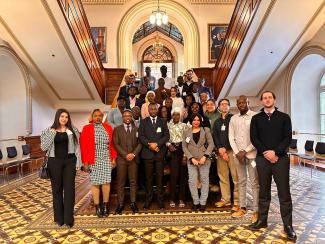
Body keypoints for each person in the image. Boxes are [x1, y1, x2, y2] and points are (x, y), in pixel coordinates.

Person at [249, 91, 296, 241]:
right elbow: (254, 138)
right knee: (263, 192)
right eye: (264, 98)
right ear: (262, 101)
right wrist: (266, 152)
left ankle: (288, 226)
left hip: (280, 159)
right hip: (262, 159)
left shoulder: (284, 117)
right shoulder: (256, 118)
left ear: (274, 100)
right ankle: (262, 221)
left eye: (270, 97)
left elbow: (287, 137)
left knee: (284, 193)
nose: (267, 99)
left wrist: (275, 152)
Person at [40, 108, 81, 228]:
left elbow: (78, 148)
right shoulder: (48, 130)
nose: (64, 119)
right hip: (54, 162)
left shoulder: (73, 131)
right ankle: (59, 218)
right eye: (62, 116)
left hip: (70, 162)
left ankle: (68, 219)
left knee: (69, 190)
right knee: (56, 190)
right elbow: (44, 147)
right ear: (57, 117)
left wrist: (78, 163)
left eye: (66, 117)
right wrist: (53, 133)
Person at [80, 109, 117, 218]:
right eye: (95, 115)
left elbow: (112, 145)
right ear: (92, 117)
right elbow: (83, 146)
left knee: (106, 182)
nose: (98, 117)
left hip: (106, 159)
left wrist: (113, 159)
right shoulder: (87, 128)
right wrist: (85, 162)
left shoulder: (108, 128)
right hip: (93, 159)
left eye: (100, 116)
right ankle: (97, 206)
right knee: (95, 183)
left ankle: (105, 205)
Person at [229, 95, 259, 222]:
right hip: (238, 157)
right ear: (237, 104)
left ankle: (256, 211)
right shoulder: (233, 118)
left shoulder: (255, 116)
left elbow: (257, 137)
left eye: (243, 102)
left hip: (252, 155)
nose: (241, 104)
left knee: (254, 182)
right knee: (241, 181)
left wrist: (245, 151)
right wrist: (237, 152)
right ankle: (242, 207)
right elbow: (231, 137)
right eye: (239, 102)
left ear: (248, 102)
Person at [138, 103, 170, 210]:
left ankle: (160, 200)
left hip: (160, 154)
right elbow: (141, 136)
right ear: (148, 110)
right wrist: (150, 145)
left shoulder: (162, 121)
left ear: (157, 110)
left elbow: (166, 135)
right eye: (151, 109)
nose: (153, 110)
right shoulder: (143, 122)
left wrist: (157, 144)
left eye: (155, 109)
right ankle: (148, 199)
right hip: (148, 154)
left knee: (160, 178)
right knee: (148, 179)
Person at [182, 114, 214, 212]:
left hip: (204, 159)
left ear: (200, 121)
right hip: (192, 160)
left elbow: (211, 144)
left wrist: (205, 156)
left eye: (198, 120)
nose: (196, 122)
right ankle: (196, 202)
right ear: (191, 121)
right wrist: (191, 158)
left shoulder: (206, 130)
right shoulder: (186, 131)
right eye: (194, 120)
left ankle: (203, 202)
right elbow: (184, 147)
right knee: (192, 181)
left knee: (204, 180)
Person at [113, 110, 142, 214]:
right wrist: (126, 155)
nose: (127, 117)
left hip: (133, 159)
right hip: (121, 160)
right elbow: (116, 144)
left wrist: (133, 154)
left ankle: (133, 202)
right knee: (121, 182)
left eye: (129, 115)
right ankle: (120, 203)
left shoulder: (137, 129)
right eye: (125, 116)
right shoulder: (117, 129)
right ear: (122, 118)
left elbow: (140, 143)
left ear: (131, 117)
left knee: (133, 182)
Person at [213, 98, 239, 212]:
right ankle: (226, 199)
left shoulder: (233, 119)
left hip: (232, 151)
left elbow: (234, 136)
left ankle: (238, 202)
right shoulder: (217, 121)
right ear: (219, 107)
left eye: (226, 104)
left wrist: (226, 148)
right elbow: (215, 136)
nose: (224, 106)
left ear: (229, 106)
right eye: (222, 104)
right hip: (220, 153)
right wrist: (220, 149)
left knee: (235, 177)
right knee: (223, 177)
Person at [167, 107, 189, 208]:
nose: (176, 116)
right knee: (173, 176)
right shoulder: (168, 125)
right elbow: (165, 137)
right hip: (173, 151)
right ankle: (172, 199)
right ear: (172, 115)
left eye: (178, 114)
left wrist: (185, 155)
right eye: (174, 114)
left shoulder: (185, 126)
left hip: (183, 150)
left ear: (180, 116)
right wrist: (168, 145)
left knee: (183, 176)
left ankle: (181, 199)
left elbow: (188, 140)